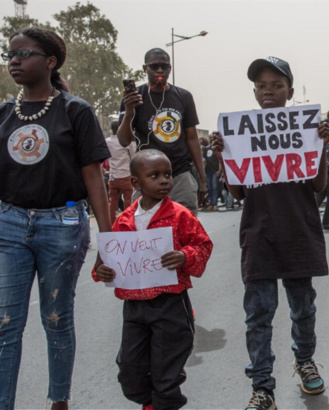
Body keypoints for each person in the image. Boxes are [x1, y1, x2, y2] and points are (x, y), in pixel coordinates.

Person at [210, 56, 329, 410]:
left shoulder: (306, 130)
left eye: (277, 86)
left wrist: (320, 145)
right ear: (254, 92)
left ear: (290, 92)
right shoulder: (239, 134)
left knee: (303, 308)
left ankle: (305, 360)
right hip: (259, 236)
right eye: (261, 86)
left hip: (298, 233)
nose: (268, 92)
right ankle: (262, 387)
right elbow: (237, 193)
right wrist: (223, 155)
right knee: (258, 317)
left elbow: (319, 185)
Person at [0, 27, 112, 410]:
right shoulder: (4, 113)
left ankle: (58, 400)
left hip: (62, 226)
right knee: (6, 323)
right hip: (9, 225)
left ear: (50, 61)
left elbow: (93, 177)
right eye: (10, 54)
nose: (13, 61)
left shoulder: (75, 110)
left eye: (23, 54)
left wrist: (108, 241)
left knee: (56, 318)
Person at [92, 149, 213, 410]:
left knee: (166, 371)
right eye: (154, 175)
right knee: (129, 370)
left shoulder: (180, 215)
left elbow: (203, 245)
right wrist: (101, 271)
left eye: (168, 174)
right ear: (136, 182)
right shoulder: (123, 220)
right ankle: (150, 402)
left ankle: (161, 405)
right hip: (134, 308)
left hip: (170, 304)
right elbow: (106, 259)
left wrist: (185, 256)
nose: (164, 180)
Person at [117, 48, 206, 215]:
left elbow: (192, 138)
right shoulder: (135, 98)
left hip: (180, 174)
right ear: (145, 68)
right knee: (147, 226)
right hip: (147, 177)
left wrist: (202, 178)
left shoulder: (183, 96)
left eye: (164, 66)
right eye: (154, 66)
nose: (160, 70)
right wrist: (129, 112)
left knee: (185, 224)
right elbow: (123, 140)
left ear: (170, 68)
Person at [106, 119, 137, 221]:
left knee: (112, 201)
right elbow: (133, 156)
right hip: (126, 175)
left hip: (113, 176)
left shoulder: (107, 141)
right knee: (128, 200)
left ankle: (111, 223)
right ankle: (127, 221)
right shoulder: (126, 141)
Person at [202, 136, 220, 211]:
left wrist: (219, 170)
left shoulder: (217, 148)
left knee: (214, 188)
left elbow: (220, 160)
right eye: (210, 138)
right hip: (207, 171)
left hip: (215, 171)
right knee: (209, 188)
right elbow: (203, 159)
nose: (211, 139)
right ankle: (211, 204)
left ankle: (215, 204)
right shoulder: (206, 149)